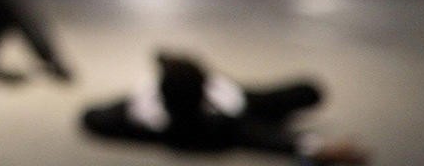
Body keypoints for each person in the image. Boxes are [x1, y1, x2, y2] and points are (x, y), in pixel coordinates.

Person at [80, 51, 369, 165]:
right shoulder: (220, 121)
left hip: (227, 98)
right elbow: (261, 137)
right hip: (241, 103)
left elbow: (92, 117)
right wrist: (316, 148)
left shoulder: (142, 109)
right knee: (304, 93)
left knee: (306, 92)